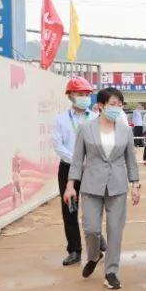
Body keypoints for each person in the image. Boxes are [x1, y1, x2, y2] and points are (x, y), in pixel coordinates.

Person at [62, 87, 140, 290]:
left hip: (117, 186)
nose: (116, 108)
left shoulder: (125, 130)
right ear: (101, 106)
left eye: (119, 104)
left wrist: (135, 184)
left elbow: (131, 160)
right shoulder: (86, 128)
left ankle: (111, 272)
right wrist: (70, 185)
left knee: (115, 230)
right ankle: (94, 255)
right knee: (91, 229)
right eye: (112, 104)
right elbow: (77, 160)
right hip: (91, 185)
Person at [52, 76, 100, 267]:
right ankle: (74, 250)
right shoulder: (61, 120)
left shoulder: (96, 118)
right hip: (68, 168)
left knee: (93, 208)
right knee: (69, 209)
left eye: (87, 94)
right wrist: (77, 161)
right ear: (70, 95)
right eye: (80, 94)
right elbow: (58, 145)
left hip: (91, 169)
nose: (84, 97)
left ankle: (96, 241)